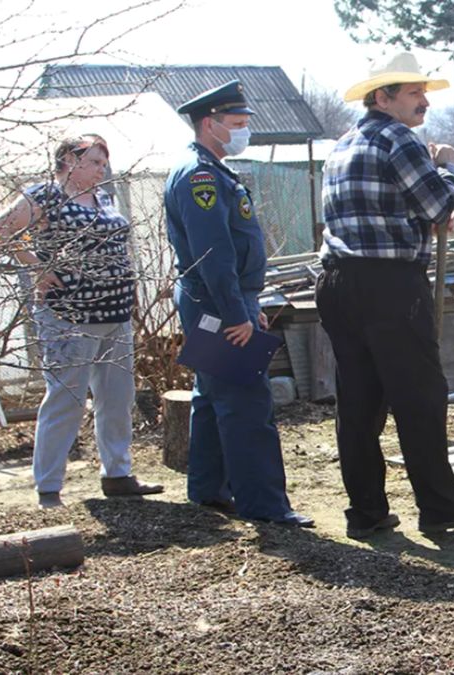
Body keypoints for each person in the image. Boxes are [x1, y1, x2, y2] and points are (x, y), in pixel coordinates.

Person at [317, 52, 454, 539]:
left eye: (424, 92)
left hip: (338, 283)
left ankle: (367, 514)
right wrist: (450, 168)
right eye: (414, 93)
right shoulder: (400, 139)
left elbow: (399, 208)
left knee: (359, 402)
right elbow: (438, 203)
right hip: (389, 285)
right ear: (384, 97)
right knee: (419, 397)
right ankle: (441, 511)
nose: (424, 102)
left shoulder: (341, 146)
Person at [0, 134, 163, 509]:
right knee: (66, 399)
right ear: (68, 159)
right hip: (69, 316)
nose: (102, 168)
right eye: (95, 161)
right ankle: (48, 486)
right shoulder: (46, 195)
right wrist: (39, 266)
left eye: (103, 162)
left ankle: (118, 474)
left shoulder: (104, 197)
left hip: (115, 314)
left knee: (116, 399)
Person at [163, 81, 312, 527]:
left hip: (220, 300)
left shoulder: (208, 168)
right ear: (210, 124)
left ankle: (208, 489)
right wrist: (235, 314)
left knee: (211, 396)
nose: (245, 131)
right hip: (216, 303)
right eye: (238, 124)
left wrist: (249, 304)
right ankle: (265, 506)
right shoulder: (201, 176)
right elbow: (215, 253)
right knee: (247, 406)